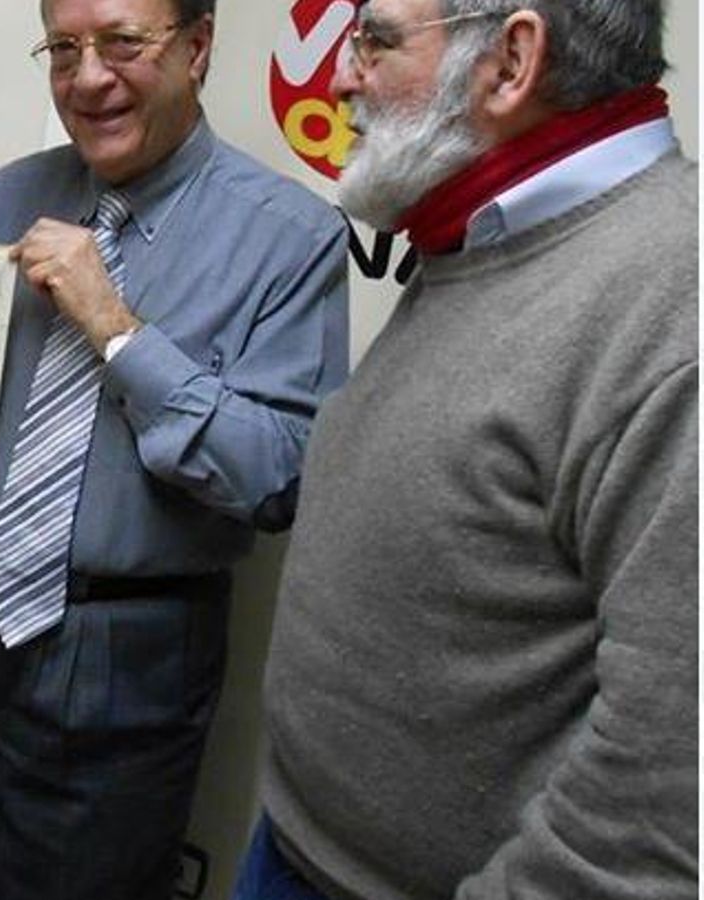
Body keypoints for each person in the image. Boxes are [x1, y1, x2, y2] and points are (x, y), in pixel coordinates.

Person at [0, 0, 349, 896]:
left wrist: (119, 332)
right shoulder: (1, 199)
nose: (88, 78)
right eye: (63, 49)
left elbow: (280, 477)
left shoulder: (291, 238)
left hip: (123, 654)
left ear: (198, 46)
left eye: (123, 44)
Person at [239, 2, 697, 898]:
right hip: (297, 850)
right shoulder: (491, 232)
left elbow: (660, 812)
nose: (338, 79)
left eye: (374, 40)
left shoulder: (674, 311)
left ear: (511, 60)